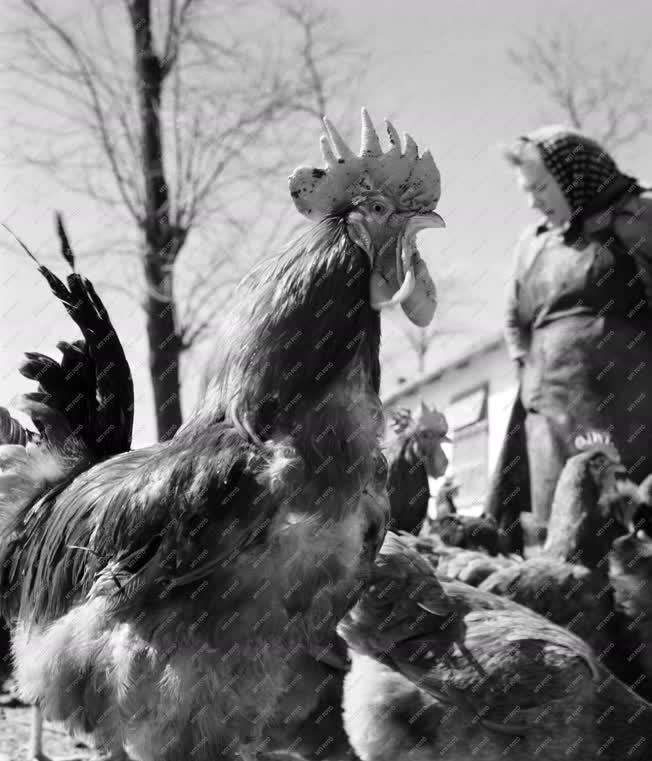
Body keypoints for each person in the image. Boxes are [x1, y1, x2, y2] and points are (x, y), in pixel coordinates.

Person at [486, 125, 652, 540]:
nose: (531, 200)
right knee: (561, 536)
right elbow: (513, 319)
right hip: (548, 416)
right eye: (526, 189)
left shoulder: (639, 215)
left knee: (629, 534)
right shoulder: (532, 244)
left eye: (540, 186)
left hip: (628, 410)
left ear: (573, 177)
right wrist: (526, 369)